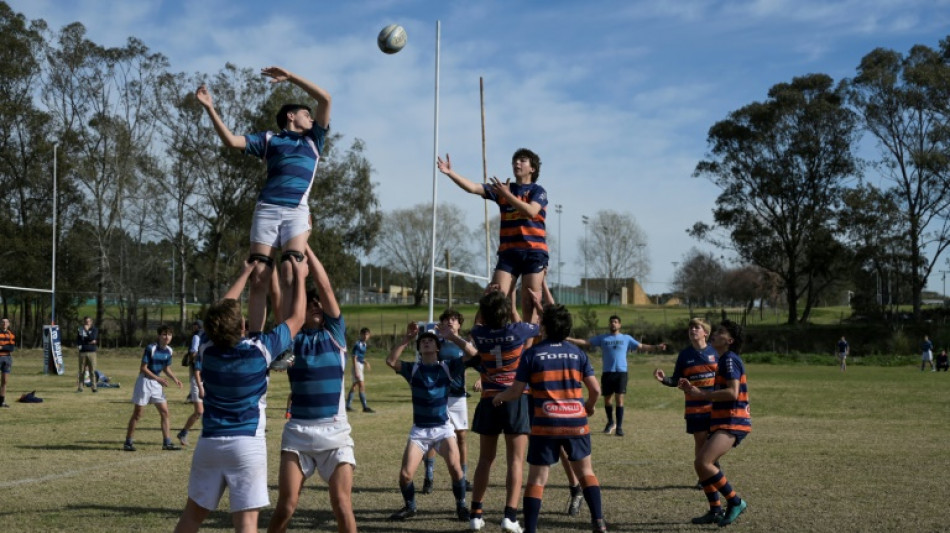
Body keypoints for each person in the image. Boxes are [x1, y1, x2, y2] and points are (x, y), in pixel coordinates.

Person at [173, 257, 307, 533]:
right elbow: (298, 318)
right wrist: (302, 278)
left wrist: (245, 271)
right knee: (246, 524)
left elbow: (219, 311)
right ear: (242, 326)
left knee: (192, 517)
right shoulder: (261, 350)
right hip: (246, 445)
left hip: (209, 444)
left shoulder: (207, 350)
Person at [195, 65, 331, 334]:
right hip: (267, 210)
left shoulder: (315, 139)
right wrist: (210, 108)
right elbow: (232, 141)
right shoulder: (269, 139)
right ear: (291, 116)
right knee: (259, 275)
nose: (312, 119)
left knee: (292, 271)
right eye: (307, 115)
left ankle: (287, 339)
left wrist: (291, 76)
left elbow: (325, 99)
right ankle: (257, 339)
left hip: (296, 211)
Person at [492, 304, 607, 533]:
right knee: (586, 472)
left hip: (546, 423)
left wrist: (499, 397)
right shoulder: (577, 353)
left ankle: (532, 530)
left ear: (543, 327)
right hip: (576, 421)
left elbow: (515, 391)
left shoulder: (532, 354)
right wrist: (589, 407)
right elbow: (595, 390)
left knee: (537, 478)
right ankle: (599, 521)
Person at [267, 246, 358, 533]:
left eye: (319, 304)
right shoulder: (291, 341)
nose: (317, 305)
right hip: (299, 434)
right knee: (286, 506)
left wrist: (305, 247)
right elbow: (281, 302)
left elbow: (326, 288)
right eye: (310, 303)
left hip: (335, 434)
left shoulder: (335, 335)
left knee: (342, 505)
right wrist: (287, 274)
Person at [439, 287, 541, 533]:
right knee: (515, 461)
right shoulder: (516, 331)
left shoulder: (479, 333)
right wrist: (536, 304)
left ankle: (476, 514)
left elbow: (476, 325)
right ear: (506, 312)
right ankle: (509, 516)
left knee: (485, 459)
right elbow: (538, 324)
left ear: (484, 313)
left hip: (489, 398)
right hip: (515, 399)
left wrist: (483, 300)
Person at [437, 149, 548, 326]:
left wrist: (506, 195)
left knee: (529, 303)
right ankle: (483, 343)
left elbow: (530, 211)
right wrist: (450, 173)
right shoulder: (503, 189)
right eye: (514, 161)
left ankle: (527, 350)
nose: (516, 163)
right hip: (509, 253)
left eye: (522, 160)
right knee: (494, 299)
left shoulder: (537, 191)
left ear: (532, 168)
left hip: (534, 252)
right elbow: (473, 187)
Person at [385, 322, 470, 523]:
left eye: (431, 340)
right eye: (423, 341)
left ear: (438, 348)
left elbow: (473, 354)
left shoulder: (448, 367)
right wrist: (407, 338)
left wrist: (453, 337)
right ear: (419, 348)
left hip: (443, 429)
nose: (426, 343)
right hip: (420, 431)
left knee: (457, 470)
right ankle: (410, 507)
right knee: (405, 475)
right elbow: (390, 360)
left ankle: (461, 507)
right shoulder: (412, 369)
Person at [677, 319, 750, 527]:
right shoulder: (723, 359)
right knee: (702, 464)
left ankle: (735, 501)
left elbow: (732, 392)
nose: (715, 334)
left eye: (720, 332)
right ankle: (715, 509)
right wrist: (693, 391)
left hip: (733, 421)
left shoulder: (728, 359)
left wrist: (701, 394)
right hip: (723, 420)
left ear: (730, 340)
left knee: (703, 463)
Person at [568, 315, 666, 437]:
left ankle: (619, 427)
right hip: (607, 372)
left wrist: (656, 347)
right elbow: (586, 342)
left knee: (619, 399)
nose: (613, 324)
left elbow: (641, 346)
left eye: (615, 322)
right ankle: (610, 422)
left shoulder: (626, 338)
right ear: (609, 325)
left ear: (619, 325)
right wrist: (569, 339)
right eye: (611, 322)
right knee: (607, 400)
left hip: (621, 372)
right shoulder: (603, 338)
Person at [653, 318, 719, 493]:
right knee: (701, 441)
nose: (692, 330)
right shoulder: (684, 355)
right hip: (694, 408)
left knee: (715, 441)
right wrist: (664, 379)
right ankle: (704, 476)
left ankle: (711, 469)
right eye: (690, 327)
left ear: (705, 332)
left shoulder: (716, 352)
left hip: (716, 406)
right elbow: (677, 380)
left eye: (696, 327)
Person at [421, 308, 472, 495]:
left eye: (454, 319)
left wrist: (482, 378)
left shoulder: (464, 344)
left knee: (461, 436)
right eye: (446, 319)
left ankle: (463, 477)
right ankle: (429, 477)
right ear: (442, 324)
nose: (450, 322)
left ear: (459, 324)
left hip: (459, 397)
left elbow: (474, 361)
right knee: (433, 436)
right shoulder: (437, 345)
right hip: (440, 395)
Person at [123, 325, 183, 452]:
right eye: (164, 334)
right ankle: (128, 442)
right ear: (159, 336)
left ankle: (167, 442)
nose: (167, 337)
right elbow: (143, 368)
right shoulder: (151, 348)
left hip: (156, 384)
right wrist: (158, 378)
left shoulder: (169, 351)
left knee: (165, 412)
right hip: (144, 382)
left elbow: (166, 368)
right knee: (138, 414)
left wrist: (175, 379)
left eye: (169, 335)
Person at [177, 320, 206, 446]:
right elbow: (194, 353)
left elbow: (193, 351)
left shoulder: (199, 336)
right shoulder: (200, 337)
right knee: (199, 411)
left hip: (207, 377)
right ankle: (183, 432)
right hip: (198, 376)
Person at [345, 327, 375, 413]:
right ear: (361, 335)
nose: (365, 336)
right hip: (357, 365)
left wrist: (365, 362)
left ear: (369, 335)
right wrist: (356, 370)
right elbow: (354, 357)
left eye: (367, 334)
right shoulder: (357, 344)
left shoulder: (364, 345)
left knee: (354, 386)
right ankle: (365, 407)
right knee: (361, 385)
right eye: (364, 334)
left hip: (360, 365)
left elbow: (360, 356)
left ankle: (347, 406)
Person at [76, 316, 99, 393]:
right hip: (82, 352)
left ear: (91, 322)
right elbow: (79, 340)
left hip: (92, 352)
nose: (87, 323)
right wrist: (89, 342)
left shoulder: (94, 329)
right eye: (86, 321)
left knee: (92, 370)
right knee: (81, 371)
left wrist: (87, 331)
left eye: (88, 321)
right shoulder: (80, 329)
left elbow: (93, 337)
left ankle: (94, 387)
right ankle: (80, 387)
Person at [0, 318, 14, 408]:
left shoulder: (11, 334)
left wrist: (2, 347)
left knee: (5, 380)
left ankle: (2, 401)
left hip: (7, 358)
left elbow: (11, 348)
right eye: (3, 322)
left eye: (6, 322)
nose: (4, 324)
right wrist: (6, 347)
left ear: (8, 324)